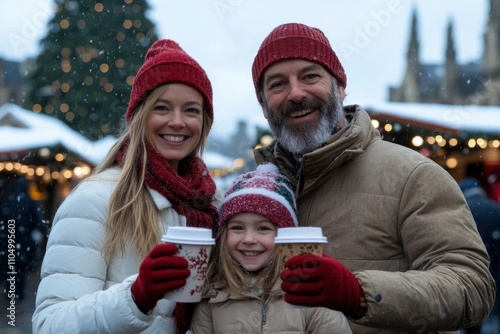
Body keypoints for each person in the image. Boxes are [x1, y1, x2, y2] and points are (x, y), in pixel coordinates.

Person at [251, 22, 495, 333]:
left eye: (310, 76)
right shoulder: (255, 190)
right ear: (263, 104)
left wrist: (360, 294)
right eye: (277, 84)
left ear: (339, 87)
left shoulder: (412, 175)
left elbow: (471, 289)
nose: (296, 93)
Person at [32, 39, 220, 333]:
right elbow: (50, 324)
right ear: (139, 117)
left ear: (205, 122)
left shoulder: (212, 205)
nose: (177, 121)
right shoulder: (97, 200)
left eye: (192, 110)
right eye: (162, 108)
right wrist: (134, 298)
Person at [190, 163, 352, 333]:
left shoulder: (311, 293)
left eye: (263, 228)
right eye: (237, 227)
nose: (249, 239)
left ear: (284, 235)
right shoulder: (212, 297)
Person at [459, 177, 500, 334]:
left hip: (469, 279)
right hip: (495, 277)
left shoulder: (462, 213)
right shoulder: (496, 209)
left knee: (471, 323)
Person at [0, 173, 44, 301]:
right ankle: (18, 292)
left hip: (7, 239)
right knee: (20, 268)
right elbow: (35, 221)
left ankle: (10, 291)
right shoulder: (30, 202)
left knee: (9, 266)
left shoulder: (6, 200)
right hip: (23, 240)